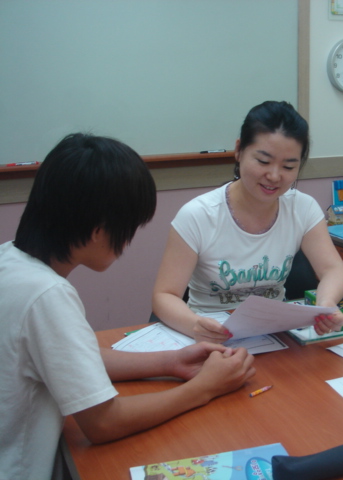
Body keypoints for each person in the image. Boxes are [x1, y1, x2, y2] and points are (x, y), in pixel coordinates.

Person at [0, 133, 256, 480]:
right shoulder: (47, 295)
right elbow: (103, 422)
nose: (128, 242)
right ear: (98, 230)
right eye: (129, 228)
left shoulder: (11, 259)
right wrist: (204, 388)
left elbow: (69, 356)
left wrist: (169, 362)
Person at [152, 101, 343, 343]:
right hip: (210, 337)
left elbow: (332, 269)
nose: (274, 176)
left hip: (273, 335)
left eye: (288, 166)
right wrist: (196, 326)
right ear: (239, 150)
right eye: (263, 162)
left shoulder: (303, 208)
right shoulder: (198, 215)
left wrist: (326, 303)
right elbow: (164, 295)